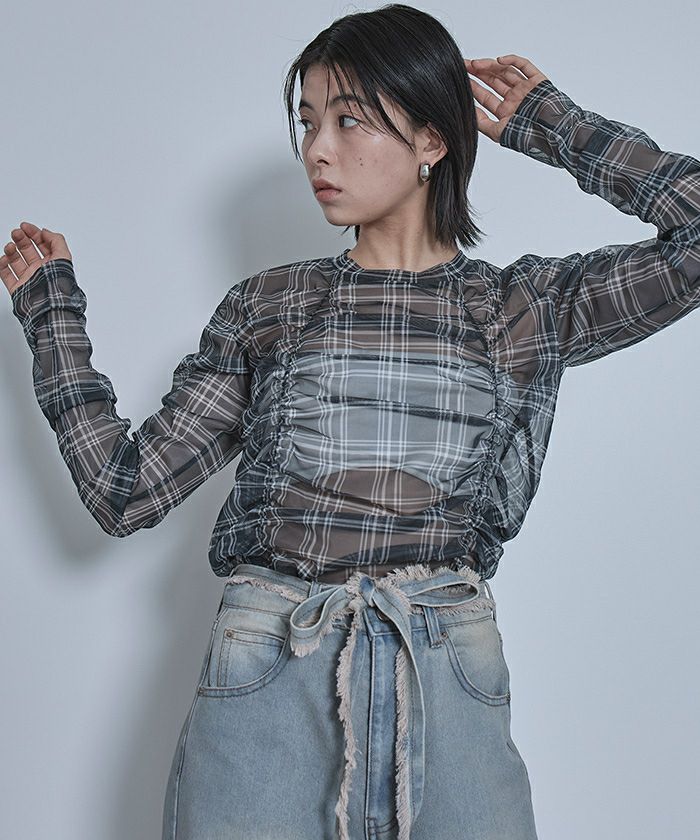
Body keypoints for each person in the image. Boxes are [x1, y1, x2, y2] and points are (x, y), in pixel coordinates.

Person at [3, 4, 699, 840]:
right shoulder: (270, 304)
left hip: (446, 679)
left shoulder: (522, 309)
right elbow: (125, 493)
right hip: (268, 679)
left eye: (348, 120)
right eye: (307, 123)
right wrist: (53, 321)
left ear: (432, 139)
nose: (317, 151)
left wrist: (554, 124)